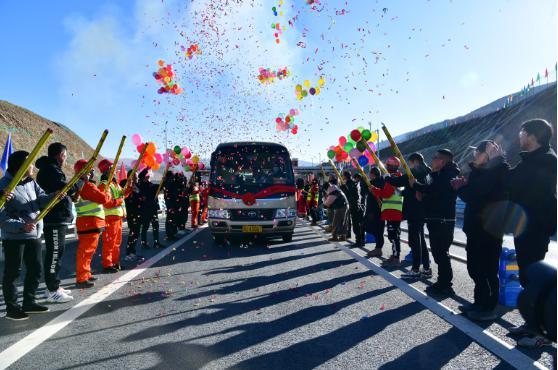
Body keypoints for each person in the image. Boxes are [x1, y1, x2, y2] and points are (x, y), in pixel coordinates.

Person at [504, 119, 556, 347]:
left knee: (535, 277)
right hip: (524, 226)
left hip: (535, 226)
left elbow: (527, 190)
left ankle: (543, 331)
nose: (519, 136)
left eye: (522, 132)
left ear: (533, 136)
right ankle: (532, 324)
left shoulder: (547, 160)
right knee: (527, 276)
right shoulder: (529, 160)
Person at [451, 140, 509, 321]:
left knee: (488, 269)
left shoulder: (498, 170)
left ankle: (489, 307)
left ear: (488, 155)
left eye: (477, 152)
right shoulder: (480, 172)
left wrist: (461, 188)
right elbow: (474, 193)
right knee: (475, 268)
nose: (474, 155)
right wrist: (464, 186)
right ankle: (478, 302)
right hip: (475, 228)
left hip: (489, 229)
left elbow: (476, 194)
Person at [0, 151, 56, 320]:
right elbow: (2, 217)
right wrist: (20, 226)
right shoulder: (4, 186)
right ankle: (12, 308)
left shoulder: (31, 182)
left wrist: (55, 196)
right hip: (14, 238)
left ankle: (29, 302)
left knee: (36, 270)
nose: (32, 166)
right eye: (30, 163)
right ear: (21, 166)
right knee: (13, 273)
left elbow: (40, 200)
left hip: (34, 234)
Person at [410, 149, 460, 296]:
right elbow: (430, 191)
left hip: (443, 220)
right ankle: (441, 282)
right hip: (434, 218)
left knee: (441, 253)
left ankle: (446, 285)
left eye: (435, 158)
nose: (432, 160)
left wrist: (417, 186)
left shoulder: (449, 175)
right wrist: (421, 194)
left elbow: (435, 189)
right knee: (438, 253)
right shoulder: (435, 174)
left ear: (442, 161)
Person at [35, 142, 80, 303]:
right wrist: (78, 182)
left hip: (58, 218)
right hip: (53, 219)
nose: (65, 160)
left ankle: (54, 285)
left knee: (57, 253)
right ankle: (52, 289)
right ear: (60, 155)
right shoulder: (51, 170)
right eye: (65, 156)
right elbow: (66, 188)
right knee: (54, 254)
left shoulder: (53, 169)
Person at [73, 159, 119, 288]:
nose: (93, 172)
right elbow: (103, 198)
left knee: (89, 251)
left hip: (90, 223)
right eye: (90, 170)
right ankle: (81, 278)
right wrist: (108, 193)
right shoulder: (86, 185)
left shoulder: (82, 185)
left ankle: (85, 274)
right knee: (86, 251)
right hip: (89, 222)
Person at [386, 153, 432, 278]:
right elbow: (408, 188)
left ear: (414, 161)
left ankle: (416, 269)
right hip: (421, 210)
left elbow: (399, 181)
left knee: (415, 241)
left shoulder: (416, 172)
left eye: (409, 163)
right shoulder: (428, 172)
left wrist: (386, 178)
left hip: (414, 210)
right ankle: (427, 268)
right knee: (421, 240)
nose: (409, 166)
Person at [369, 157, 404, 267]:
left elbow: (386, 194)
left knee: (393, 235)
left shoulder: (392, 178)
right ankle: (394, 256)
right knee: (393, 235)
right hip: (394, 211)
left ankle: (396, 258)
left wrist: (374, 189)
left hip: (392, 211)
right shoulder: (399, 177)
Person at [98, 159, 128, 273]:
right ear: (107, 169)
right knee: (109, 242)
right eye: (113, 167)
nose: (115, 169)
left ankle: (115, 263)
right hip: (109, 218)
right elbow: (107, 203)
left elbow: (123, 195)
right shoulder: (104, 185)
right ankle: (107, 264)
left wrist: (128, 188)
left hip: (117, 218)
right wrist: (120, 200)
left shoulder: (115, 184)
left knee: (116, 243)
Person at [120, 171, 143, 263]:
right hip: (131, 212)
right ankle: (128, 253)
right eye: (135, 177)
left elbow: (140, 194)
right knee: (132, 232)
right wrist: (129, 185)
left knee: (136, 233)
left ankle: (132, 252)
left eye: (137, 177)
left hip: (138, 212)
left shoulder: (137, 185)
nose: (137, 179)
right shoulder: (124, 183)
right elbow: (124, 194)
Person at [138, 168, 162, 249]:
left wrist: (163, 181)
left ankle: (156, 242)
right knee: (145, 227)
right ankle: (144, 243)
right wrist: (146, 169)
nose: (147, 178)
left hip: (153, 209)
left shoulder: (151, 185)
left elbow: (159, 187)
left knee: (156, 226)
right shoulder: (140, 185)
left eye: (148, 177)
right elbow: (140, 175)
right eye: (146, 177)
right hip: (145, 209)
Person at [364, 167, 385, 257]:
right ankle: (378, 247)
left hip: (374, 210)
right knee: (379, 229)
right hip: (381, 209)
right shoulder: (384, 181)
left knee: (376, 229)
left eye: (370, 173)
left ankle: (378, 249)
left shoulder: (372, 183)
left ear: (373, 174)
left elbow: (364, 191)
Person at [341, 171, 364, 247]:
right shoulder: (353, 183)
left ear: (345, 176)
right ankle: (361, 240)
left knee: (356, 224)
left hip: (354, 206)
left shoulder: (350, 184)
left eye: (343, 175)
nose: (342, 177)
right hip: (355, 205)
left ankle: (359, 241)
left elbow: (350, 195)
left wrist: (342, 188)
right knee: (357, 224)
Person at [323, 175, 348, 241]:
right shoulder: (335, 188)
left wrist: (324, 200)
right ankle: (343, 236)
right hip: (345, 205)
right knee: (343, 221)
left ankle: (335, 236)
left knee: (335, 221)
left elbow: (327, 204)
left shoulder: (331, 192)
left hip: (340, 206)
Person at [163, 171, 180, 241]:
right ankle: (169, 234)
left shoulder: (171, 182)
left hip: (173, 202)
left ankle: (172, 233)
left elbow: (177, 186)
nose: (173, 177)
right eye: (172, 176)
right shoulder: (167, 182)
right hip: (170, 203)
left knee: (173, 218)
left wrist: (177, 178)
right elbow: (171, 188)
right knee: (170, 218)